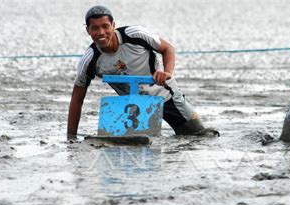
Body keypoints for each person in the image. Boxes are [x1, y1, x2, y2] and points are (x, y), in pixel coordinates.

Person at [67, 5, 213, 139]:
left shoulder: (135, 34)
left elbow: (168, 49)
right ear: (88, 30)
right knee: (133, 148)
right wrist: (71, 138)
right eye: (94, 28)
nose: (101, 32)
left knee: (198, 137)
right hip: (133, 107)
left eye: (105, 26)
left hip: (166, 96)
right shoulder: (90, 59)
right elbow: (77, 98)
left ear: (113, 25)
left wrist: (167, 72)